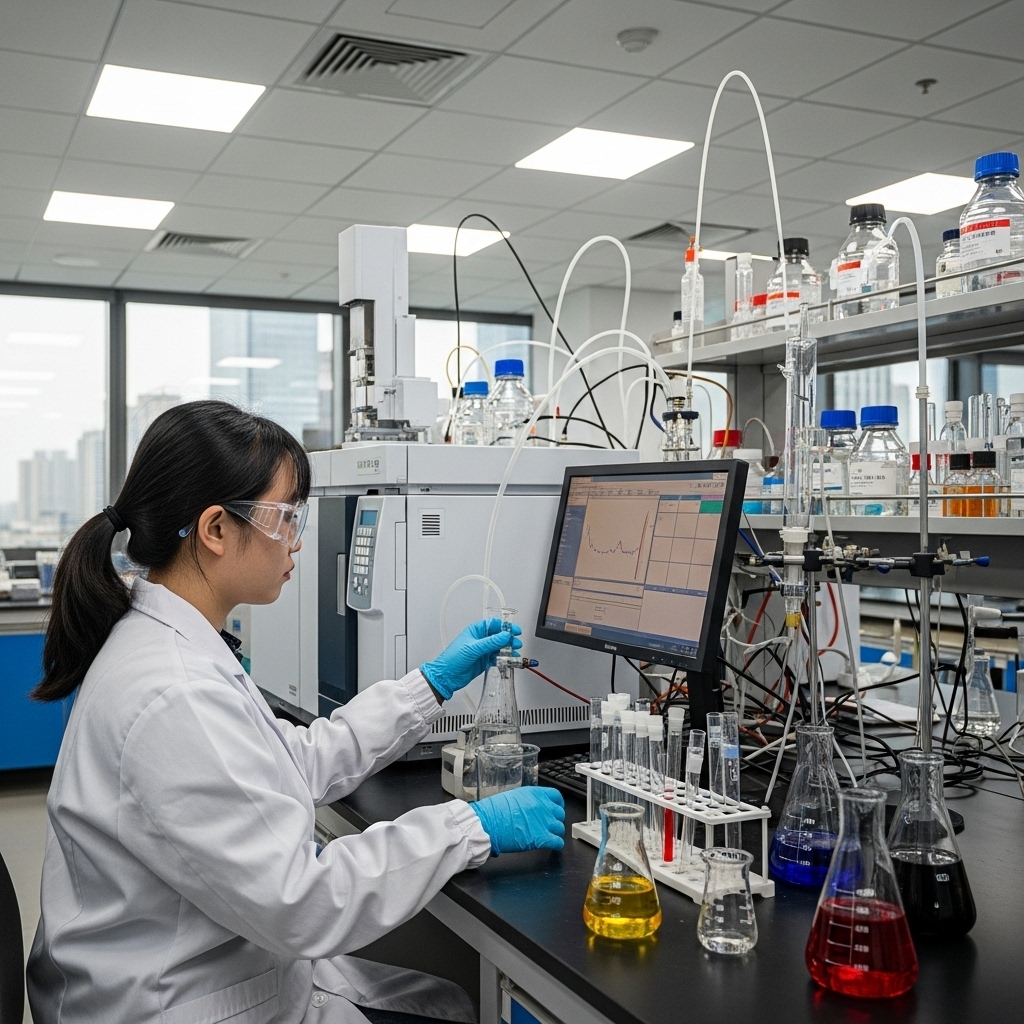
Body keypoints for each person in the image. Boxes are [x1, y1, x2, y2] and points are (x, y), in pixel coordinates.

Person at [27, 401, 565, 1024]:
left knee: (450, 1003)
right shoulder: (175, 692)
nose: (298, 540)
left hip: (205, 969)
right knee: (460, 1008)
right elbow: (302, 901)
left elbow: (287, 762)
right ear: (215, 529)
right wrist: (471, 827)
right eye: (286, 517)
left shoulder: (171, 647)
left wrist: (430, 685)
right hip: (170, 1003)